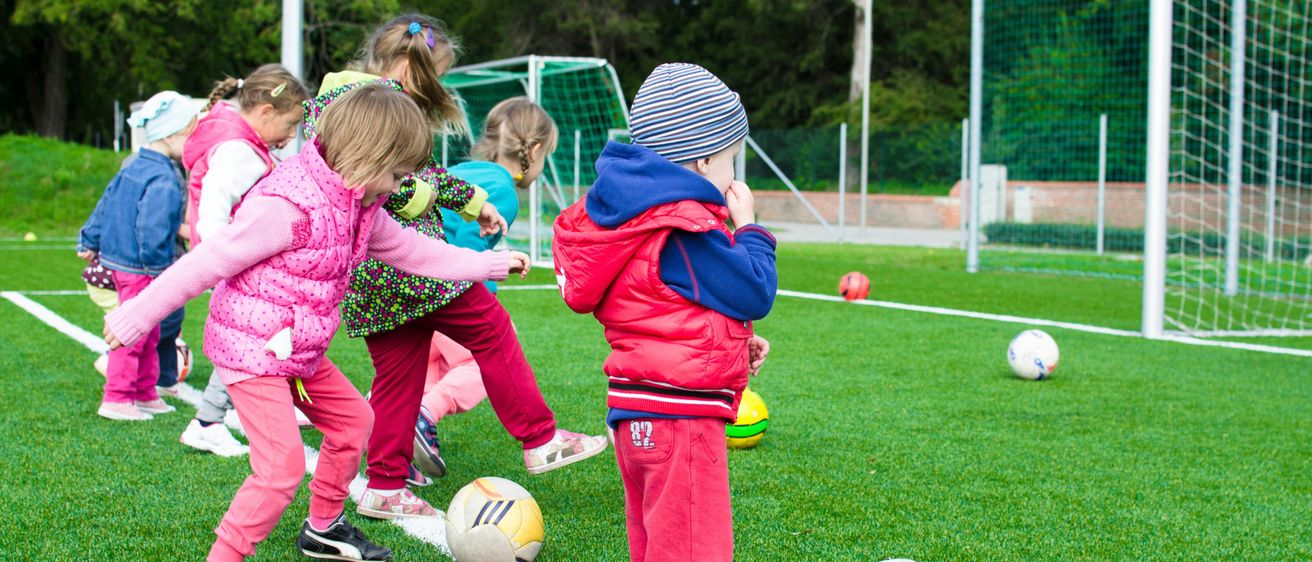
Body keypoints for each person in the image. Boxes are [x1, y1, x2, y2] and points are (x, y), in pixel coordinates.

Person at [102, 85, 529, 562]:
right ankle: (225, 554)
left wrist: (489, 264)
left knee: (354, 423)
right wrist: (137, 315)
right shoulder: (288, 205)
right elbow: (207, 261)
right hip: (253, 350)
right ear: (367, 157)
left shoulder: (359, 205)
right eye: (395, 174)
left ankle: (323, 528)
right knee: (281, 469)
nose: (396, 187)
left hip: (297, 349)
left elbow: (414, 251)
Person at [301, 14, 606, 520]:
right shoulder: (370, 105)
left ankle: (384, 486)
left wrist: (473, 202)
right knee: (491, 329)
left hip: (370, 277)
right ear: (405, 66)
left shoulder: (338, 99)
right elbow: (390, 185)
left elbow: (421, 172)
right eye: (433, 76)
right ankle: (540, 438)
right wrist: (439, 207)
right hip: (409, 266)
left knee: (400, 377)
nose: (435, 88)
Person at [552, 63, 778, 562]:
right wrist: (750, 229)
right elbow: (756, 290)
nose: (732, 175)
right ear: (701, 161)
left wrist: (737, 343)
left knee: (658, 547)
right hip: (682, 420)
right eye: (730, 160)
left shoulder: (632, 217)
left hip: (636, 414)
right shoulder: (681, 226)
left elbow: (663, 306)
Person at [410, 97, 557, 481]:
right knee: (482, 360)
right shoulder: (503, 191)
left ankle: (393, 436)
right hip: (443, 288)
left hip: (409, 284)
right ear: (535, 151)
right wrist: (483, 300)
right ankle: (423, 415)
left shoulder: (460, 170)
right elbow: (466, 250)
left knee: (428, 365)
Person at [176, 63, 310, 458]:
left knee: (257, 337)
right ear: (266, 113)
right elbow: (214, 213)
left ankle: (221, 416)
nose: (290, 137)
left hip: (240, 264)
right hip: (238, 266)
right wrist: (227, 260)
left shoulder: (243, 143)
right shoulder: (239, 152)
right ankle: (208, 421)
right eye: (289, 125)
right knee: (250, 340)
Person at [77, 90, 199, 421]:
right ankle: (117, 397)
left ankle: (145, 392)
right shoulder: (163, 176)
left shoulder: (134, 164)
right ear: (172, 134)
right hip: (141, 267)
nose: (193, 141)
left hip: (125, 262)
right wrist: (161, 271)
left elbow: (106, 201)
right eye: (190, 133)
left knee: (151, 330)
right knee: (133, 332)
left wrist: (89, 237)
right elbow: (153, 227)